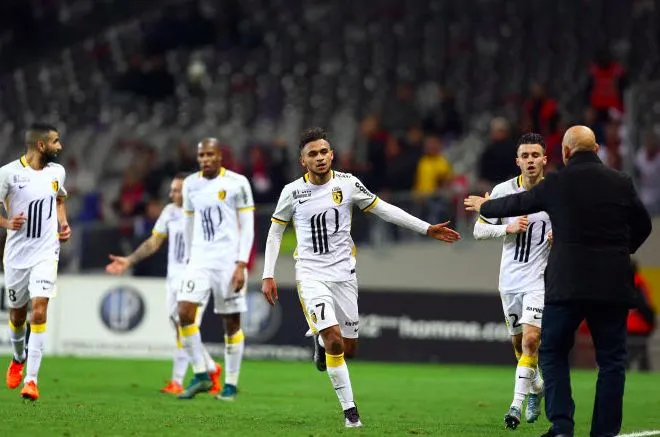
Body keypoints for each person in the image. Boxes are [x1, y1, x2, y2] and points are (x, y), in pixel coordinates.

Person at [261, 127, 461, 428]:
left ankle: (320, 344)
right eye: (312, 154)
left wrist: (426, 228)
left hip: (344, 274)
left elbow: (384, 209)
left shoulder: (348, 183)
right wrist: (268, 274)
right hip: (311, 274)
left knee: (348, 349)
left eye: (323, 152)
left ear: (332, 155)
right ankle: (350, 412)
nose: (319, 157)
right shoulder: (292, 192)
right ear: (303, 161)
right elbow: (275, 232)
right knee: (334, 339)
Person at [465, 125, 653, 437]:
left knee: (551, 352)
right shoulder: (621, 181)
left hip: (567, 284)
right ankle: (604, 432)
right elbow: (644, 225)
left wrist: (485, 206)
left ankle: (561, 426)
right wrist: (623, 249)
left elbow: (519, 204)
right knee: (611, 362)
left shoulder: (558, 182)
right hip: (611, 285)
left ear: (563, 153)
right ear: (596, 149)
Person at [105, 174, 222, 395]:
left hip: (196, 277)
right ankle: (210, 367)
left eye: (177, 190)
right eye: (172, 190)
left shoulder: (203, 211)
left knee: (185, 326)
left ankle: (178, 380)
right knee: (180, 328)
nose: (172, 194)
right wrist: (129, 260)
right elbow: (154, 242)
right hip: (173, 278)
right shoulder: (169, 211)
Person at [473, 133, 550, 429]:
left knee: (531, 340)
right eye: (525, 156)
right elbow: (478, 231)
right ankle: (537, 387)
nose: (530, 160)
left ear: (545, 159)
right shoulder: (503, 191)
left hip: (539, 280)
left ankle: (515, 407)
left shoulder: (555, 192)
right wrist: (507, 228)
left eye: (535, 155)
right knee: (520, 346)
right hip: (509, 281)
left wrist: (560, 237)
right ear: (517, 161)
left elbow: (572, 227)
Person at [176, 138, 255, 401]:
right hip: (200, 260)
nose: (205, 159)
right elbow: (188, 223)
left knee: (231, 322)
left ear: (220, 156)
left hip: (228, 262)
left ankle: (230, 384)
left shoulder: (237, 183)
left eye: (210, 154)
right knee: (183, 313)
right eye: (201, 155)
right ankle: (201, 374)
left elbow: (248, 226)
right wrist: (189, 257)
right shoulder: (190, 184)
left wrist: (241, 264)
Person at [2, 123, 71, 401]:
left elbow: (59, 198)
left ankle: (31, 381)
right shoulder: (8, 174)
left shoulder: (57, 172)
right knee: (17, 316)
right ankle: (18, 358)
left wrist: (63, 224)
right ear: (41, 145)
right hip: (17, 256)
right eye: (56, 141)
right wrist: (7, 223)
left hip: (46, 253)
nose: (60, 146)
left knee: (39, 312)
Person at [626, 259, 656, 371]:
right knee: (640, 354)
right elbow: (644, 305)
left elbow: (641, 305)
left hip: (632, 325)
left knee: (632, 355)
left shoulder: (630, 283)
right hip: (638, 325)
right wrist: (651, 322)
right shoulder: (638, 283)